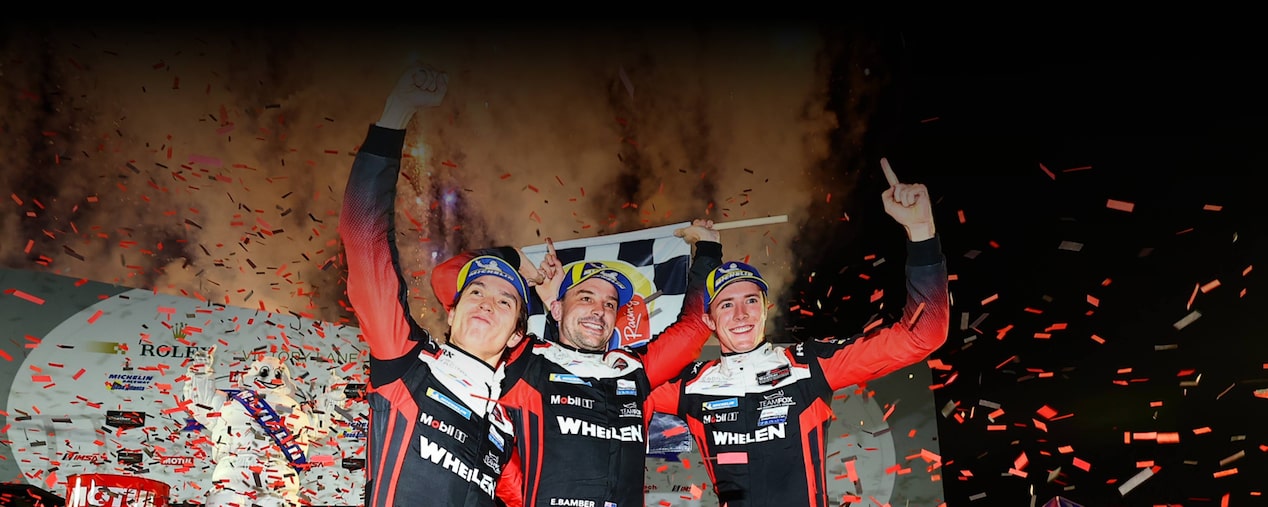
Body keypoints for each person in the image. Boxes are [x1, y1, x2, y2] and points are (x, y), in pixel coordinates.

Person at [647, 162, 950, 507]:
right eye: (726, 305)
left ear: (766, 308)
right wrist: (708, 253)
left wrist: (922, 232)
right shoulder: (689, 384)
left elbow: (924, 335)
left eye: (750, 301)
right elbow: (618, 389)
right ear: (710, 321)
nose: (741, 314)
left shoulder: (808, 365)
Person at [339, 62, 546, 507]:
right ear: (451, 313)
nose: (486, 303)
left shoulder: (506, 426)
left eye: (505, 300)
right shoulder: (406, 363)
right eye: (475, 291)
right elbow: (362, 236)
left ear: (516, 335)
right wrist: (396, 114)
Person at [484, 221, 723, 507]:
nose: (599, 311)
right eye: (586, 298)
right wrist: (515, 261)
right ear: (556, 308)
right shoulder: (525, 360)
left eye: (610, 304)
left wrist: (708, 248)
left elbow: (695, 327)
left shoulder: (634, 370)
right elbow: (449, 284)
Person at [183, 347, 313, 507]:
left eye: (277, 373)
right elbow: (200, 404)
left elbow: (319, 428)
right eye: (266, 372)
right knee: (226, 499)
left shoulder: (295, 408)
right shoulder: (231, 400)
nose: (272, 377)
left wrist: (335, 399)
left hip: (271, 469)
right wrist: (201, 370)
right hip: (241, 467)